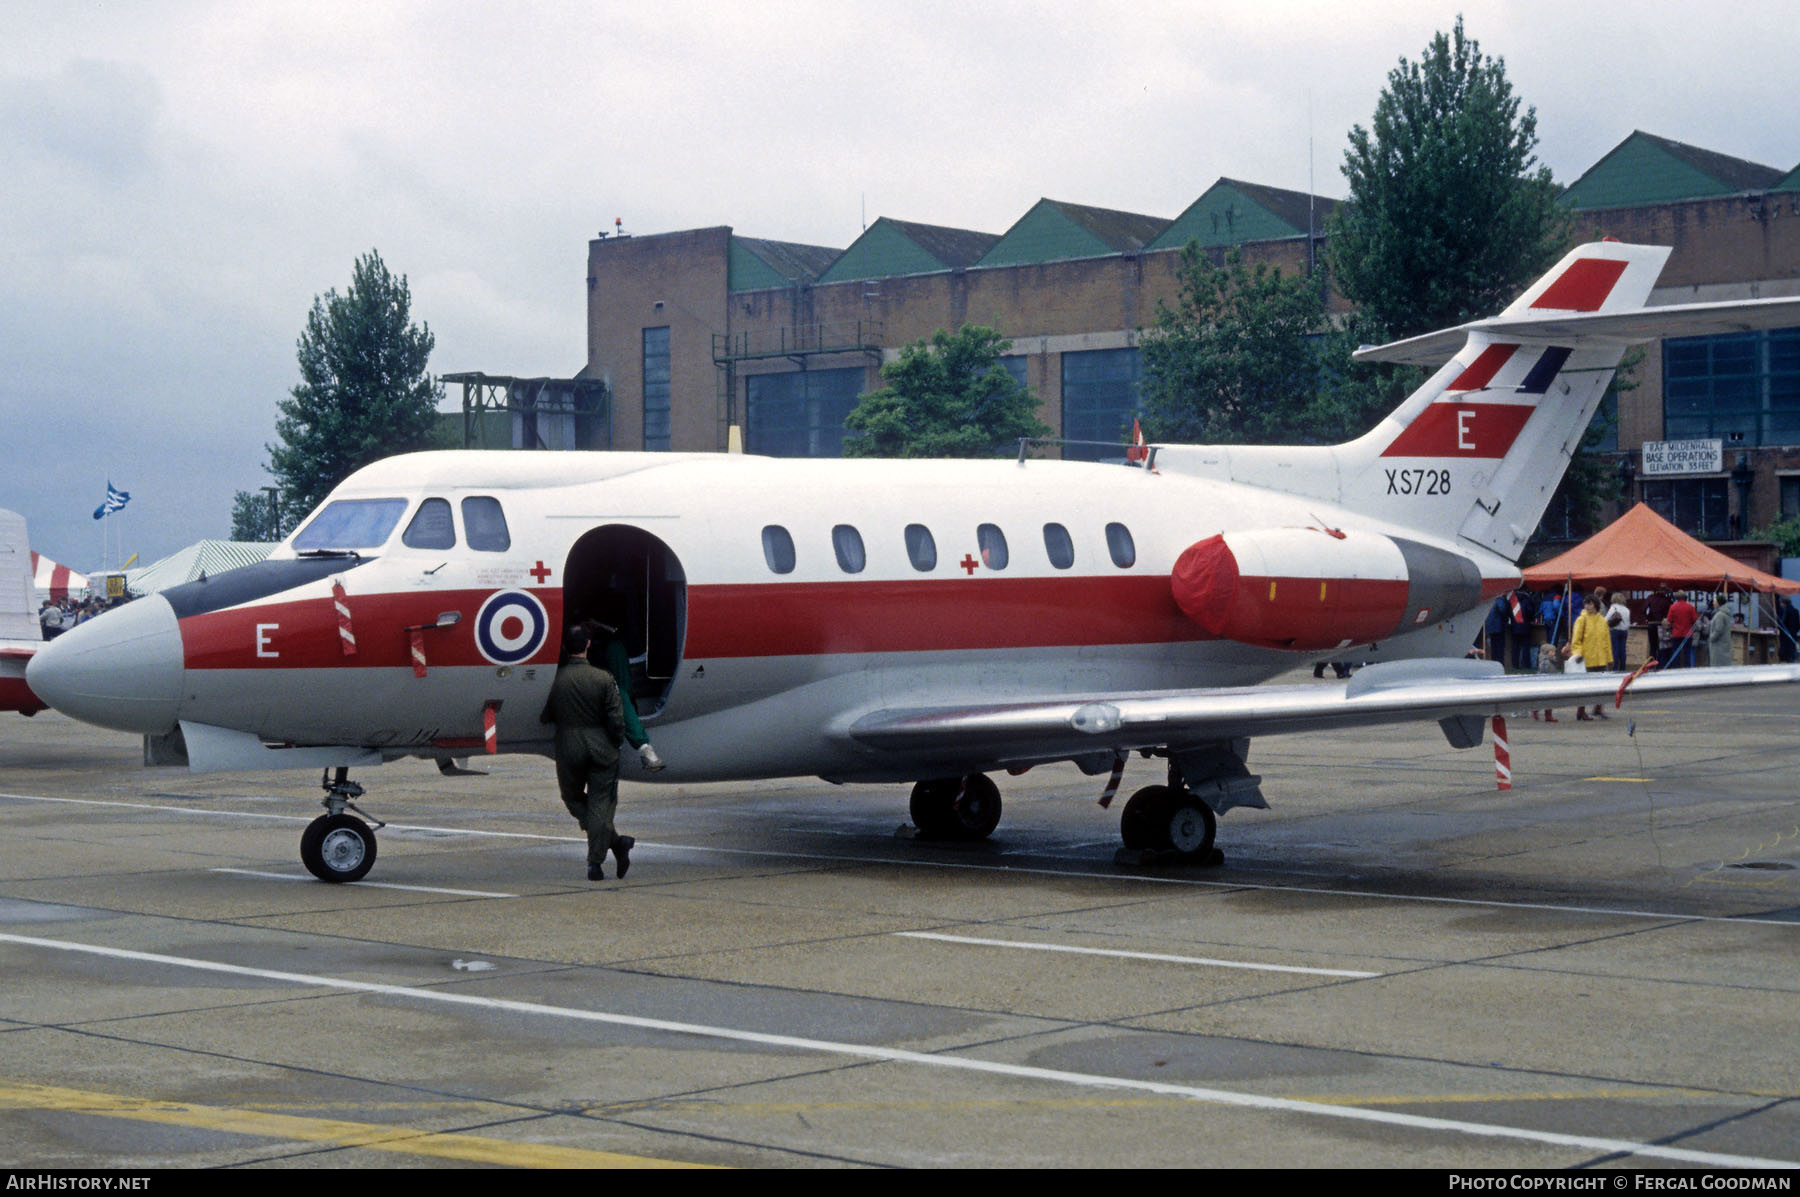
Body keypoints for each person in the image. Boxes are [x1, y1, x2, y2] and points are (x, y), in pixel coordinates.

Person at [540, 625, 633, 881]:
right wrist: (614, 742)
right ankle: (598, 860)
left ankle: (615, 843)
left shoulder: (555, 679)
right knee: (601, 804)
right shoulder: (603, 679)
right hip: (600, 744)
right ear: (588, 645)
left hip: (569, 745)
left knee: (571, 797)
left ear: (564, 647)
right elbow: (616, 718)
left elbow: (546, 715)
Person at [582, 619, 667, 772]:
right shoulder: (613, 646)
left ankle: (640, 745)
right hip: (605, 652)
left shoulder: (612, 646)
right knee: (620, 693)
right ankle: (642, 746)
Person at [1565, 595, 1613, 721]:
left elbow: (1606, 641)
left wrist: (1610, 658)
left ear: (1596, 605)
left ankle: (1598, 708)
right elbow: (1576, 639)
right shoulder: (1582, 620)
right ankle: (1581, 711)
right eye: (1586, 604)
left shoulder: (1602, 621)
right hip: (1587, 659)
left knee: (1601, 686)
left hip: (1601, 658)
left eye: (1590, 604)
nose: (1588, 606)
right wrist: (1579, 653)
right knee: (1585, 687)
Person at [1665, 591, 1698, 669]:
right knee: (1687, 653)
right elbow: (1695, 619)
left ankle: (1676, 669)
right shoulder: (1691, 607)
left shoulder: (1672, 607)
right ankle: (1687, 669)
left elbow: (1669, 620)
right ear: (1685, 598)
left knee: (1676, 653)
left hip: (1676, 633)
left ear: (1676, 598)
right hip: (1688, 634)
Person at [1644, 585, 1673, 666]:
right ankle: (1660, 665)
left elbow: (1644, 609)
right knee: (1662, 646)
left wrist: (1647, 618)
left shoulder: (1650, 598)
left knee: (1653, 646)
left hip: (1651, 624)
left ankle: (1652, 664)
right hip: (1661, 625)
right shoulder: (1667, 600)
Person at [1605, 590, 1632, 672]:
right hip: (1624, 631)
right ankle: (1623, 668)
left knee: (1615, 650)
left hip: (1615, 631)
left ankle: (1615, 668)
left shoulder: (1613, 608)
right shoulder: (1627, 610)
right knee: (1622, 650)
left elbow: (1606, 619)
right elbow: (1628, 622)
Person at [1706, 596, 1733, 667]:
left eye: (1714, 601)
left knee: (1718, 665)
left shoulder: (1720, 615)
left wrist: (1711, 638)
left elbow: (1718, 630)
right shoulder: (1723, 613)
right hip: (1722, 644)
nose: (1713, 603)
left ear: (1718, 603)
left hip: (1718, 646)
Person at [1780, 597, 1800, 664]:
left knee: (1787, 652)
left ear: (1783, 603)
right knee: (1793, 649)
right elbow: (1798, 624)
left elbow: (1783, 623)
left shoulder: (1785, 611)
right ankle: (1793, 659)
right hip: (1793, 634)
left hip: (1786, 635)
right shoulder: (1796, 611)